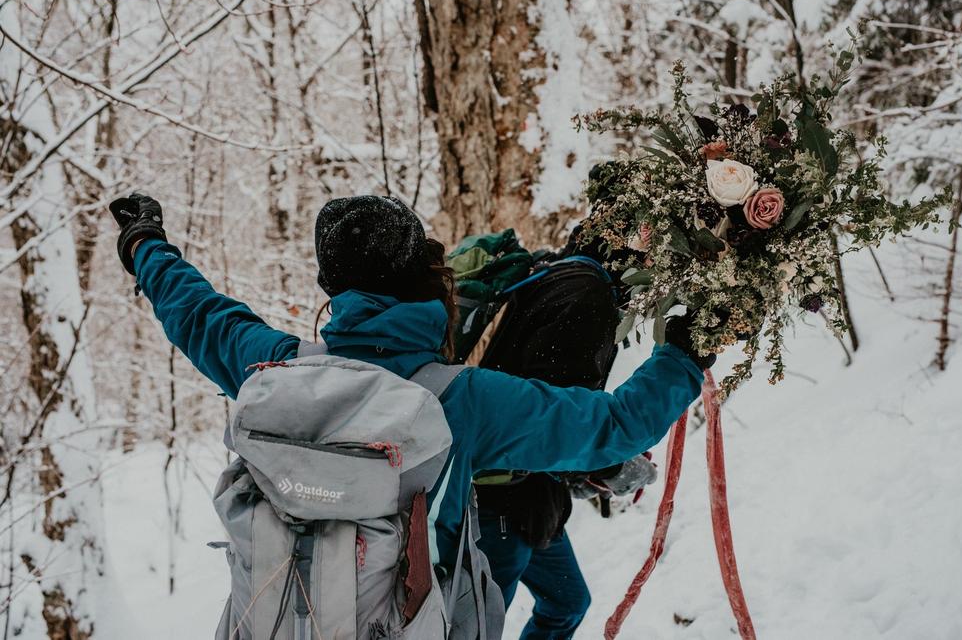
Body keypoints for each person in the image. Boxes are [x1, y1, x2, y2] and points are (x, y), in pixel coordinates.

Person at [109, 192, 709, 622]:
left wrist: (144, 243)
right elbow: (615, 427)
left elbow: (197, 314)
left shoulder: (274, 367)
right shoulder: (461, 399)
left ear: (331, 288)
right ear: (422, 271)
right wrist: (685, 352)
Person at [471, 222, 704, 639]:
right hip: (501, 500)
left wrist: (587, 468)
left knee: (567, 602)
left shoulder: (553, 269)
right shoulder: (586, 295)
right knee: (476, 627)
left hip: (531, 497)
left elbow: (543, 401)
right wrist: (604, 465)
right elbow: (552, 426)